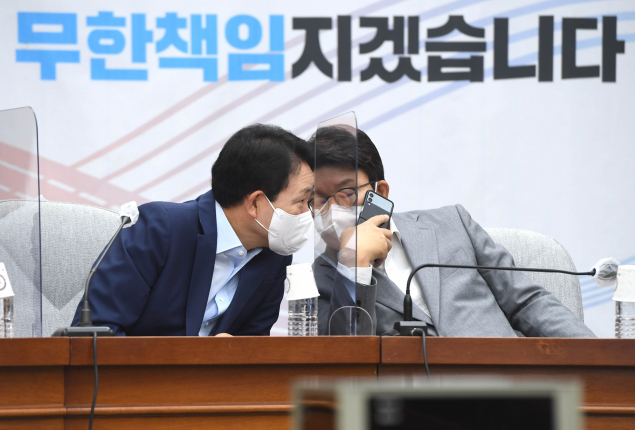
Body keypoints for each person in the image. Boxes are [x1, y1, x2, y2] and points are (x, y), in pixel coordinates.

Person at [310, 126, 595, 338]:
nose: (332, 209)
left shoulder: (452, 222)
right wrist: (353, 265)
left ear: (380, 193)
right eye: (319, 199)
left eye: (346, 193)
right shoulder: (321, 278)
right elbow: (348, 360)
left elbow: (526, 302)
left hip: (508, 385)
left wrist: (598, 358)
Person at [72, 124, 314, 336]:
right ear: (255, 204)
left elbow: (254, 343)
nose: (308, 213)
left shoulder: (274, 254)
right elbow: (96, 333)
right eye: (301, 201)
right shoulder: (162, 229)